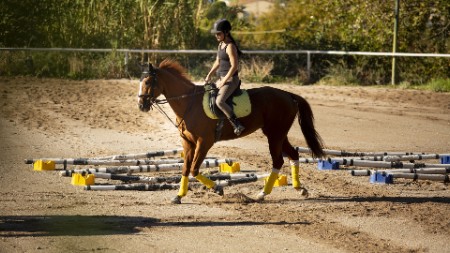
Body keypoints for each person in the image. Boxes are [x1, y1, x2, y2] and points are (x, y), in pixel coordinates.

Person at [205, 19, 245, 136]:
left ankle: (237, 124)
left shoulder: (230, 47)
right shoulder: (221, 45)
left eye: (219, 33)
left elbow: (234, 66)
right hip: (222, 78)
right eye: (216, 34)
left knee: (219, 101)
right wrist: (209, 74)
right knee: (208, 95)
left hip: (231, 79)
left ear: (226, 33)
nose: (216, 36)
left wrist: (224, 81)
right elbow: (217, 62)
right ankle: (218, 122)